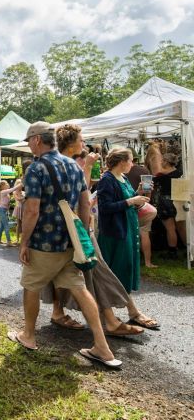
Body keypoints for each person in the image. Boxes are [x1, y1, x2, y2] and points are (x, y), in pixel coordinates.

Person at [9, 122, 120, 368]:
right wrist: (83, 236)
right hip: (70, 243)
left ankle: (28, 335)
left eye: (28, 141)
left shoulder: (36, 168)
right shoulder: (75, 165)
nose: (28, 145)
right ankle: (102, 347)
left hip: (43, 244)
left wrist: (24, 242)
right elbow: (85, 206)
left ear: (37, 140)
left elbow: (32, 211)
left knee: (31, 286)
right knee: (80, 289)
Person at [45, 124, 155, 337]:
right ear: (72, 141)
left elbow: (81, 195)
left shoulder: (74, 163)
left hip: (80, 228)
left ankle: (111, 321)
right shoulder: (63, 165)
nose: (84, 142)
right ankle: (109, 325)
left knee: (90, 274)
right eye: (81, 138)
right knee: (89, 273)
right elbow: (79, 197)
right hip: (72, 228)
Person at [96, 148, 159, 330]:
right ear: (122, 161)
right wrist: (131, 201)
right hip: (115, 233)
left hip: (127, 229)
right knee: (117, 272)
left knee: (125, 269)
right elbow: (106, 207)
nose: (133, 164)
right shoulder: (107, 179)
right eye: (131, 160)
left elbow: (127, 201)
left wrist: (137, 194)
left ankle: (127, 312)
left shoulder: (122, 178)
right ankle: (130, 312)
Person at [147, 145, 183, 259]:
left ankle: (172, 252)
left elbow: (150, 184)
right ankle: (185, 249)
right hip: (178, 201)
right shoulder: (180, 173)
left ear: (167, 162)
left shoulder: (161, 176)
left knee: (170, 229)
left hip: (165, 203)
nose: (161, 162)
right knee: (180, 227)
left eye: (162, 160)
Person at [126, 157, 157, 268]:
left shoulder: (120, 171)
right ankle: (148, 262)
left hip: (128, 206)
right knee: (144, 233)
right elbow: (148, 189)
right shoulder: (143, 171)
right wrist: (148, 202)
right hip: (142, 206)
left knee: (129, 234)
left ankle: (133, 261)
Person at [0, 180, 19, 246]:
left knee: (1, 227)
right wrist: (19, 185)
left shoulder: (6, 193)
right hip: (2, 210)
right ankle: (9, 241)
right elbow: (12, 189)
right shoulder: (3, 192)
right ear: (2, 186)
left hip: (3, 210)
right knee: (6, 226)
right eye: (6, 184)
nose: (7, 184)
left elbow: (7, 201)